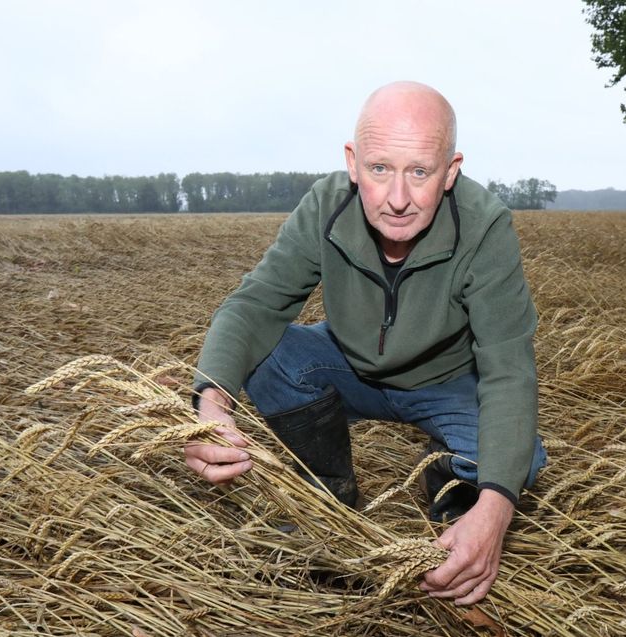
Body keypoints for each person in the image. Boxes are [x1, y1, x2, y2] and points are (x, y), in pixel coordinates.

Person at [185, 81, 546, 606]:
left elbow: (509, 369)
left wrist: (494, 513)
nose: (397, 200)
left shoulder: (485, 226)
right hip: (348, 367)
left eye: (419, 172)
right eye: (380, 169)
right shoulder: (326, 206)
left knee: (519, 461)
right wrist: (210, 406)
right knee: (272, 354)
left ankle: (447, 478)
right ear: (353, 163)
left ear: (450, 171)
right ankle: (328, 496)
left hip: (447, 384)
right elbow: (256, 305)